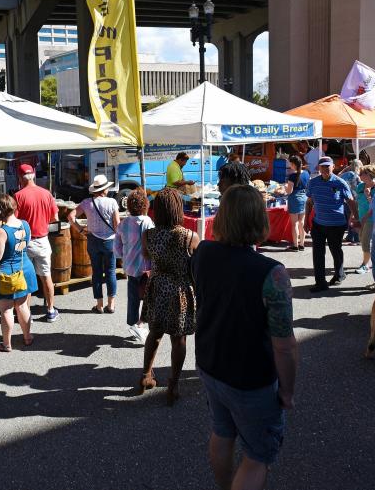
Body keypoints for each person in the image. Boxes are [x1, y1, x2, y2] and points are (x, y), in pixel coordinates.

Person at [193, 185, 297, 490]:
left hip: (211, 364)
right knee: (257, 454)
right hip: (250, 377)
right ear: (258, 219)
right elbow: (285, 345)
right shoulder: (271, 272)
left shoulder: (203, 252)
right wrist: (288, 392)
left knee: (222, 432)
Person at [139, 188, 199, 404]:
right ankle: (173, 385)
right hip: (181, 290)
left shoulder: (148, 235)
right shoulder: (190, 237)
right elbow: (197, 264)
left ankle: (146, 375)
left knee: (154, 333)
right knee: (178, 338)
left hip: (157, 286)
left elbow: (147, 255)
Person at [0, 194, 38, 352]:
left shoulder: (2, 231)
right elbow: (25, 244)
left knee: (7, 310)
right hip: (24, 269)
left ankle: (7, 344)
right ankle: (27, 337)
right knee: (22, 306)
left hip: (6, 274)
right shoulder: (25, 224)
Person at [13, 163, 60, 322]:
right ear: (33, 175)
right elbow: (55, 218)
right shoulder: (47, 194)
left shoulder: (18, 196)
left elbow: (14, 221)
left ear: (20, 178)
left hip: (24, 243)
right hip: (42, 241)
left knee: (25, 279)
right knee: (46, 277)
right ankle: (51, 310)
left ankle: (27, 314)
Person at [304, 156, 358, 293]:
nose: (325, 169)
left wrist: (356, 219)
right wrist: (306, 220)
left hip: (336, 224)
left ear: (333, 167)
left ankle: (339, 274)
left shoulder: (340, 183)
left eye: (328, 166)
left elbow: (351, 201)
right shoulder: (313, 183)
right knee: (318, 253)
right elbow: (309, 202)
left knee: (335, 250)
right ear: (318, 168)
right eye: (322, 166)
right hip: (318, 224)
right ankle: (320, 282)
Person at [69, 175, 120, 314]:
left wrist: (79, 229)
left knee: (96, 272)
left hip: (92, 240)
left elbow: (70, 217)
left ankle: (99, 305)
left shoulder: (86, 203)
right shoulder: (112, 202)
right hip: (109, 241)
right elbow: (117, 225)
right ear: (104, 189)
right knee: (110, 272)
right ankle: (111, 305)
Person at [114, 188, 154, 342]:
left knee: (133, 298)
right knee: (148, 297)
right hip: (146, 268)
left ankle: (133, 323)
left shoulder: (123, 224)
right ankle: (141, 324)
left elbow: (116, 248)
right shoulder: (147, 222)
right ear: (145, 205)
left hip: (130, 268)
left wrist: (124, 256)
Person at [353, 165, 375, 275]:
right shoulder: (360, 186)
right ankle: (372, 260)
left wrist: (369, 196)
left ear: (370, 175)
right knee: (362, 239)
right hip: (361, 218)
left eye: (362, 173)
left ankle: (365, 265)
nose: (359, 175)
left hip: (372, 219)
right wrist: (353, 215)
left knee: (365, 241)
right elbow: (357, 202)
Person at [283, 155, 309, 252]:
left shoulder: (292, 176)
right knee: (301, 223)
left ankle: (295, 245)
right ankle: (302, 244)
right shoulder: (306, 173)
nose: (289, 165)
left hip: (295, 199)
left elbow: (289, 191)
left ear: (293, 164)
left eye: (290, 163)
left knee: (294, 224)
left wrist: (285, 186)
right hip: (304, 198)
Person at [340, 160, 363, 244]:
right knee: (355, 217)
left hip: (345, 199)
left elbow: (338, 177)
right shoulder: (357, 176)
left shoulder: (345, 174)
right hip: (355, 199)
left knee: (348, 218)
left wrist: (344, 169)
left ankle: (350, 236)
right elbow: (361, 186)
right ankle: (356, 238)